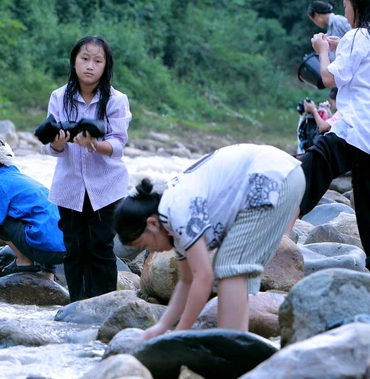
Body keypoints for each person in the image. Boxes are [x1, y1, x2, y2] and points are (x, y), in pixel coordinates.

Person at [114, 144, 305, 339]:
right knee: (235, 270)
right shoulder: (172, 223)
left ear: (152, 223)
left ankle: (230, 343)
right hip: (282, 175)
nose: (150, 250)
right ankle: (238, 341)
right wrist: (161, 326)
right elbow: (187, 282)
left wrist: (180, 334)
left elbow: (203, 278)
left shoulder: (178, 208)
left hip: (275, 177)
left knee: (231, 266)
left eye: (144, 244)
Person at [300, 0, 370, 272]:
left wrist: (323, 49)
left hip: (355, 128)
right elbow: (363, 69)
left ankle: (279, 228)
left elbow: (329, 78)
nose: (345, 12)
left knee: (312, 167)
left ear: (356, 6)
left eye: (346, 6)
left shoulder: (358, 37)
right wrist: (339, 45)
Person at [43, 35, 131, 302]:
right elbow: (50, 146)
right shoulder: (59, 97)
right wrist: (58, 143)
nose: (90, 66)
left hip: (106, 186)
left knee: (101, 247)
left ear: (106, 66)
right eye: (84, 59)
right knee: (74, 247)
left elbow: (118, 143)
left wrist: (93, 144)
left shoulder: (116, 100)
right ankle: (77, 305)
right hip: (69, 186)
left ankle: (103, 305)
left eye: (97, 60)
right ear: (74, 61)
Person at [0, 138, 66, 279]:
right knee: (43, 220)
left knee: (0, 218)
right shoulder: (16, 176)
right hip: (65, 249)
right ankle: (48, 274)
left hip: (44, 250)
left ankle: (23, 260)